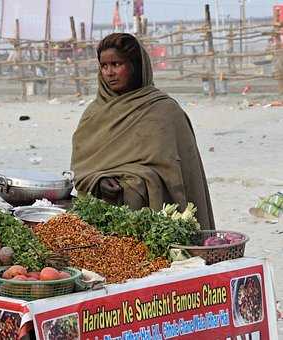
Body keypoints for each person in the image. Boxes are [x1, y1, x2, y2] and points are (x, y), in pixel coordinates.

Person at [71, 33, 214, 228]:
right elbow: (82, 169)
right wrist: (98, 181)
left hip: (155, 222)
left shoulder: (165, 111)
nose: (109, 72)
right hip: (102, 221)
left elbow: (177, 175)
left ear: (136, 66)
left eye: (116, 64)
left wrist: (135, 183)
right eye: (104, 66)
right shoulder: (94, 114)